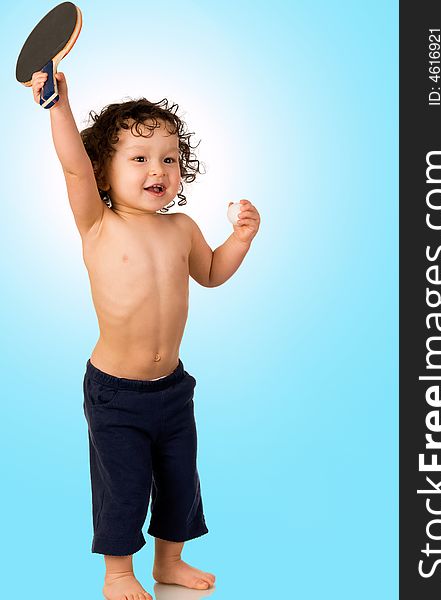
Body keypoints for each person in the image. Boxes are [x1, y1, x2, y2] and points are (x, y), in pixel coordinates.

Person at [31, 70, 261, 600]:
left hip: (173, 390)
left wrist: (241, 238)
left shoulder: (182, 229)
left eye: (169, 158)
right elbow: (71, 167)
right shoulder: (98, 225)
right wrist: (58, 106)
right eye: (139, 158)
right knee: (125, 486)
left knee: (181, 481)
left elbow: (210, 274)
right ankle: (117, 573)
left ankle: (170, 564)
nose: (158, 168)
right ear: (103, 174)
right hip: (117, 393)